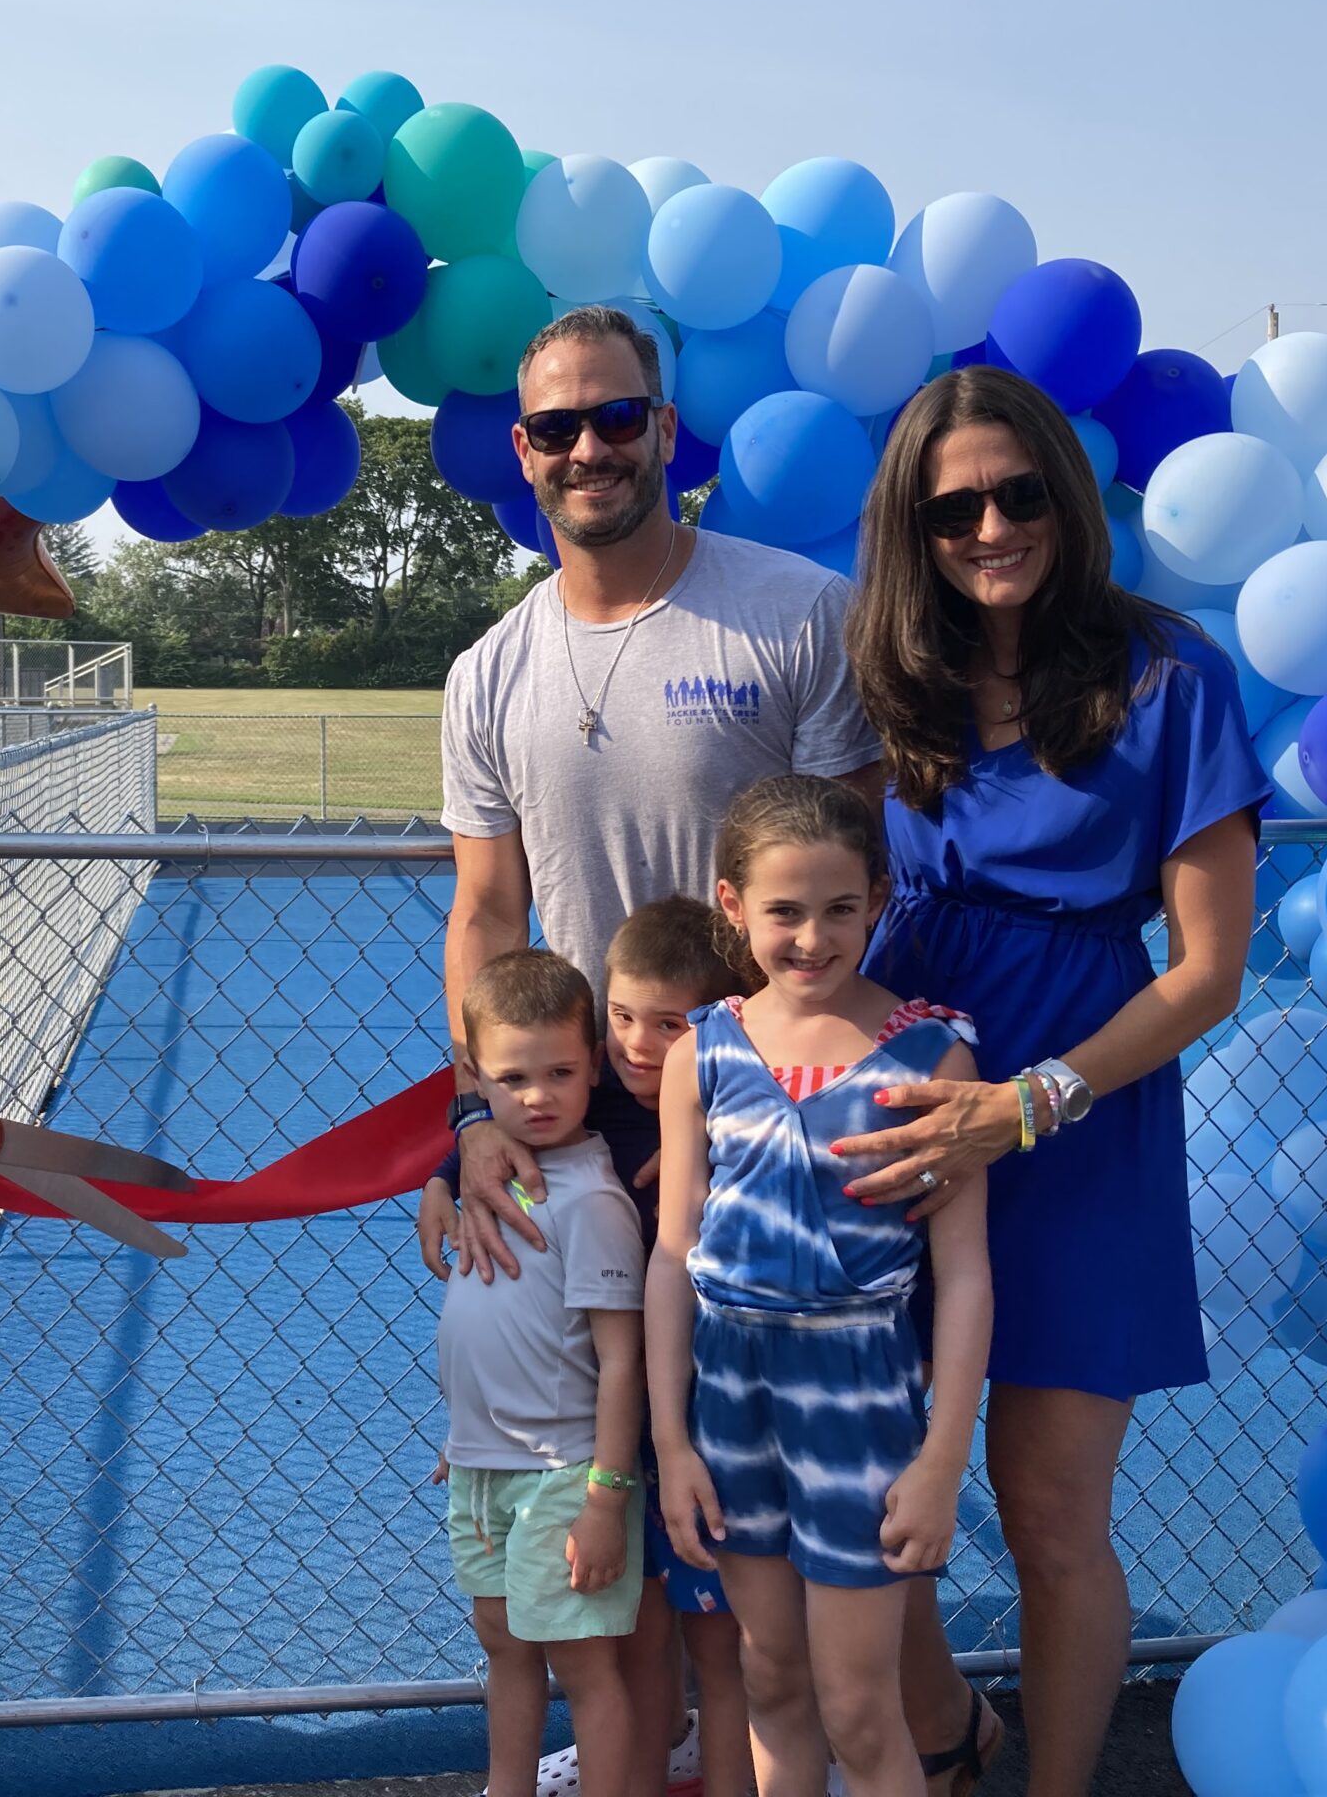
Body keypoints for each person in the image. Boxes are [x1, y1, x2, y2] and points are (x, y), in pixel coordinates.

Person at [434, 301, 884, 1791]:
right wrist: (473, 1115)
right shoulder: (488, 670)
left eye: (615, 418)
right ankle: (653, 1753)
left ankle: (910, 1735)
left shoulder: (794, 610)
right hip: (590, 1114)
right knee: (603, 1476)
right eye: (556, 427)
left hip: (766, 1118)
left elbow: (849, 865)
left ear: (665, 433)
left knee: (791, 1501)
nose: (588, 448)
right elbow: (487, 909)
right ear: (522, 452)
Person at [835, 366, 1269, 1797]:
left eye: (1018, 493)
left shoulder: (1167, 675)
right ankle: (953, 1738)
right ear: (916, 524)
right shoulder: (896, 678)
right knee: (872, 1487)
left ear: (1065, 501)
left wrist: (1027, 1105)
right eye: (953, 504)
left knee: (1050, 1512)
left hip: (1076, 1126)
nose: (990, 525)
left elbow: (1206, 969)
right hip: (902, 1119)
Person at [649, 776, 993, 1797]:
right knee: (770, 1679)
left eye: (840, 908)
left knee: (856, 1705)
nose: (811, 937)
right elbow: (674, 1252)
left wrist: (942, 1456)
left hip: (857, 1398)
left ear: (879, 901)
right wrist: (672, 1445)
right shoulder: (700, 1053)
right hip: (730, 1397)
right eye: (784, 911)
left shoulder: (934, 1055)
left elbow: (965, 1272)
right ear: (731, 906)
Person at [423, 898, 752, 1797]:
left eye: (670, 1024)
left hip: (659, 1434)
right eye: (624, 1020)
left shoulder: (630, 1167)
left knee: (700, 1652)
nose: (641, 1044)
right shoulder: (547, 1128)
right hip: (543, 1446)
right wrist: (451, 1159)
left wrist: (608, 1486)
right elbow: (508, 1083)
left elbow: (627, 1353)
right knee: (592, 1642)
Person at [436, 948, 649, 1797]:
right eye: (514, 1077)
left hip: (564, 1472)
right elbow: (488, 1330)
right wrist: (468, 1436)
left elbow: (620, 1357)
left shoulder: (593, 1201)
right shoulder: (489, 1183)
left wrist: (606, 1492)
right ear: (474, 1081)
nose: (538, 1095)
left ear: (593, 1066)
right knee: (503, 1642)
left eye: (561, 1071)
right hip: (484, 1462)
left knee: (586, 1667)